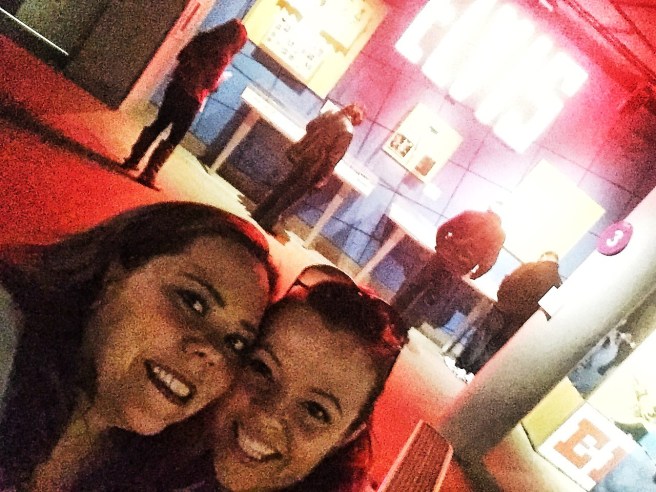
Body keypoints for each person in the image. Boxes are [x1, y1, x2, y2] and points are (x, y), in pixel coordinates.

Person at [0, 201, 278, 490]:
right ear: (113, 277)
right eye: (193, 302)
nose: (213, 352)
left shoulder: (151, 472)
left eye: (236, 343)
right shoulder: (8, 336)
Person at [88, 264, 408, 492]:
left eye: (315, 410)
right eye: (263, 369)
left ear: (346, 435)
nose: (269, 413)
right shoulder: (158, 429)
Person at [121, 19, 248, 190]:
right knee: (175, 137)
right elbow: (210, 83)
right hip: (192, 98)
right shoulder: (222, 55)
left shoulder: (201, 39)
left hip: (176, 87)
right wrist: (217, 84)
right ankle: (149, 173)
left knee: (158, 124)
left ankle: (133, 159)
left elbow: (181, 56)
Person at [251, 103, 365, 232]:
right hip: (316, 165)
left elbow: (310, 126)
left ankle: (258, 213)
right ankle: (267, 221)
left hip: (304, 154)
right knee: (291, 195)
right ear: (355, 118)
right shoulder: (348, 131)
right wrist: (324, 178)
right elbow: (333, 158)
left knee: (284, 185)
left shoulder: (330, 113)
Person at [456, 251, 562, 374]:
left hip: (502, 309)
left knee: (481, 336)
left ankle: (461, 365)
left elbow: (509, 281)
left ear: (543, 257)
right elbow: (545, 310)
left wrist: (502, 298)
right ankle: (474, 372)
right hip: (518, 322)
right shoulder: (557, 283)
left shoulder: (530, 267)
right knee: (494, 347)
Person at [391, 208, 506, 320]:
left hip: (441, 257)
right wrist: (476, 274)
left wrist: (440, 246)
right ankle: (407, 323)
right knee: (430, 299)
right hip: (458, 269)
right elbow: (489, 261)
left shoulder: (471, 214)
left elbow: (444, 228)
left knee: (415, 285)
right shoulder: (498, 235)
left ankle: (391, 311)